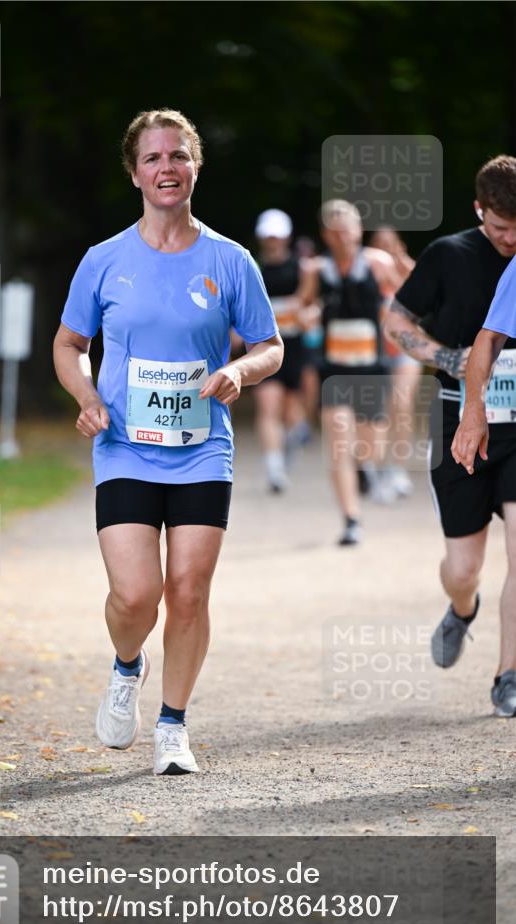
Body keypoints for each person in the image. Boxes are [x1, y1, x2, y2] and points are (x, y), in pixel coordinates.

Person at [53, 109, 283, 775]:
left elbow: (269, 344)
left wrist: (238, 370)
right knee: (135, 596)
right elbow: (70, 345)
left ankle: (172, 727)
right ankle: (128, 665)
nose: (166, 169)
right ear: (134, 173)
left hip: (202, 445)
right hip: (124, 443)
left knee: (188, 589)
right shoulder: (104, 261)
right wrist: (87, 396)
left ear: (195, 166)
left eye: (177, 156)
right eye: (153, 158)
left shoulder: (229, 260)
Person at [383, 155, 516, 714]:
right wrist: (445, 357)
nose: (512, 238)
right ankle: (463, 609)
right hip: (460, 418)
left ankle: (507, 674)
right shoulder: (449, 254)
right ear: (478, 211)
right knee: (464, 569)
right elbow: (396, 322)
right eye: (501, 227)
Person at [298, 200, 399, 544]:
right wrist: (307, 315)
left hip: (372, 367)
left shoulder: (378, 263)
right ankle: (352, 520)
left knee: (370, 443)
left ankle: (365, 467)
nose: (342, 235)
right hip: (334, 370)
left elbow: (405, 301)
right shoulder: (316, 269)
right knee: (339, 441)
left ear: (359, 230)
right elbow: (302, 305)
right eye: (335, 229)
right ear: (326, 233)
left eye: (348, 227)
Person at [450, 256, 516, 716]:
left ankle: (508, 671)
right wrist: (474, 411)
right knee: (464, 570)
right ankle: (507, 673)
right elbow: (489, 338)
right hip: (509, 428)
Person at [252, 209, 312, 492]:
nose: (273, 241)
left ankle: (291, 443)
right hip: (263, 348)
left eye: (277, 236)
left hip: (295, 348)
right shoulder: (253, 267)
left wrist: (302, 310)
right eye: (268, 236)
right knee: (268, 407)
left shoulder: (302, 267)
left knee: (292, 413)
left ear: (286, 236)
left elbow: (308, 300)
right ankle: (274, 469)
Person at [368, 227, 421, 498]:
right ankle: (377, 468)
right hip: (375, 352)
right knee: (379, 413)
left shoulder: (407, 272)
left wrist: (403, 264)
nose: (385, 249)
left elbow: (424, 296)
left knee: (401, 406)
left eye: (390, 244)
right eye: (379, 244)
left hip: (403, 350)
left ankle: (397, 467)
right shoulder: (367, 272)